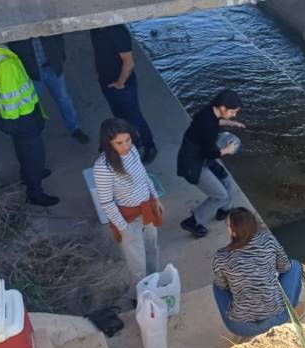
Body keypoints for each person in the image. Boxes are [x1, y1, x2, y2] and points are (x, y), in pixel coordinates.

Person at [0, 45, 58, 206]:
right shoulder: (4, 63)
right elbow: (11, 98)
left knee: (23, 150)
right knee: (34, 155)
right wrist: (21, 121)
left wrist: (7, 121)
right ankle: (35, 194)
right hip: (23, 117)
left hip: (10, 117)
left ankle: (28, 176)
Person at [94, 118, 164, 292]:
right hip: (128, 217)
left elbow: (144, 175)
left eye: (128, 140)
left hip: (147, 208)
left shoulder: (132, 151)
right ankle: (139, 294)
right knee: (137, 261)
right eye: (119, 143)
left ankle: (153, 283)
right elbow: (107, 202)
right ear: (108, 144)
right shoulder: (102, 168)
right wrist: (123, 228)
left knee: (152, 247)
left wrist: (156, 198)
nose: (125, 146)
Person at [212, 207, 303, 338]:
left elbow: (222, 285)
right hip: (277, 319)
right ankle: (291, 308)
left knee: (217, 286)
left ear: (234, 231)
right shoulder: (268, 240)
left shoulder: (222, 256)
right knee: (295, 266)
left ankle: (241, 312)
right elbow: (285, 267)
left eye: (227, 226)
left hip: (240, 327)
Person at [177, 89, 244, 238]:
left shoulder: (208, 112)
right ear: (223, 108)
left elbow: (215, 122)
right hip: (193, 165)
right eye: (233, 112)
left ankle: (224, 209)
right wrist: (228, 149)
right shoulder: (209, 126)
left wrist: (230, 122)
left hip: (199, 156)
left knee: (224, 178)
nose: (234, 115)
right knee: (220, 196)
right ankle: (192, 222)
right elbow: (212, 153)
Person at [90, 24, 157, 164]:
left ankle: (149, 146)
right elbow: (96, 52)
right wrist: (98, 73)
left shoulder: (117, 31)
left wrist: (120, 83)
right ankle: (133, 142)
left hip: (123, 85)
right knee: (119, 117)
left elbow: (129, 62)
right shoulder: (94, 29)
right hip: (106, 82)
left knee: (135, 117)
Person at [8, 35, 90, 144]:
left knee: (63, 99)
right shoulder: (20, 32)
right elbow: (14, 46)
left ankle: (75, 128)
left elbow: (58, 36)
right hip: (32, 72)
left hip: (52, 67)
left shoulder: (43, 27)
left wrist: (61, 55)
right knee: (33, 104)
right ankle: (35, 133)